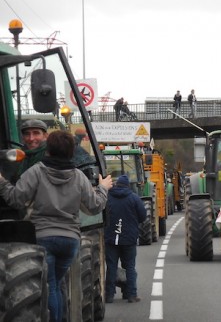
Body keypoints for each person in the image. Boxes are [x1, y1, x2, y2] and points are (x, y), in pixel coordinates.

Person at [0, 130, 112, 322]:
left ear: (48, 151)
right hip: (70, 242)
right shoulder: (79, 176)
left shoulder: (36, 171)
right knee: (56, 284)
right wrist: (103, 187)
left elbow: (16, 199)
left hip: (43, 238)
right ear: (71, 152)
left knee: (50, 286)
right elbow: (95, 206)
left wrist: (2, 181)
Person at [104, 174, 147, 304]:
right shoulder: (134, 198)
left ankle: (109, 295)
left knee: (111, 267)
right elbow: (143, 216)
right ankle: (131, 295)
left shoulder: (107, 197)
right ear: (127, 185)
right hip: (129, 239)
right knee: (129, 267)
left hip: (111, 238)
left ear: (116, 185)